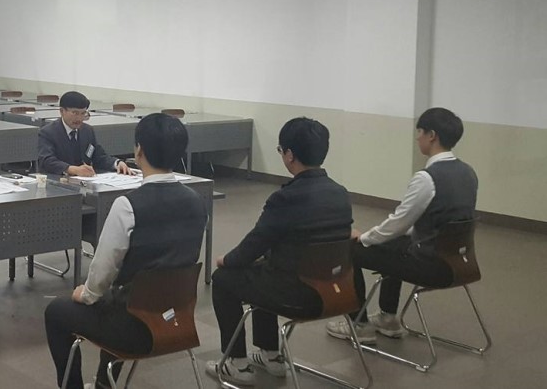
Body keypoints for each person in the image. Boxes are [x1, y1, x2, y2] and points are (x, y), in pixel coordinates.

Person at [44, 113, 208, 389]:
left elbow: (102, 270)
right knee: (119, 298)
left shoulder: (128, 206)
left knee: (57, 311)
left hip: (133, 329)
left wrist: (86, 293)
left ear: (139, 150)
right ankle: (103, 385)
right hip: (177, 320)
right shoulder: (196, 201)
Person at [206, 117, 353, 387]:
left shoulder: (285, 198)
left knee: (224, 279)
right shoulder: (340, 193)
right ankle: (271, 356)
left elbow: (254, 244)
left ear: (289, 155)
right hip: (338, 291)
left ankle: (236, 362)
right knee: (264, 268)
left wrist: (226, 259)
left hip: (299, 295)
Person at [326, 107, 478, 344]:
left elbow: (398, 223)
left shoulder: (427, 179)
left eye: (420, 132)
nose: (417, 138)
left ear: (432, 135)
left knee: (351, 251)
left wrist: (363, 238)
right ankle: (387, 318)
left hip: (431, 267)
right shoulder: (468, 172)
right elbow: (433, 222)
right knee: (395, 243)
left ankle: (359, 325)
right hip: (460, 263)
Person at [38, 91, 132, 177]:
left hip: (84, 181)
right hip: (57, 181)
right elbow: (47, 160)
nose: (79, 118)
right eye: (75, 113)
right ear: (62, 111)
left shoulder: (87, 131)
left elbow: (99, 156)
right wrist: (73, 169)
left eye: (83, 113)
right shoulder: (48, 132)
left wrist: (117, 163)